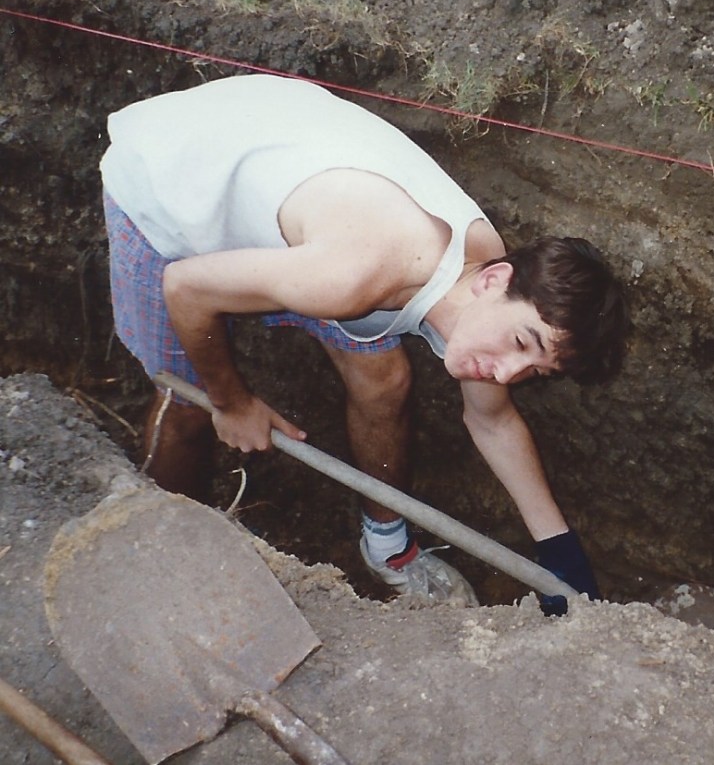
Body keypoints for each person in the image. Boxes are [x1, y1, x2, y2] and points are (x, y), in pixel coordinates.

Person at [99, 73, 628, 611]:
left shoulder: (483, 284)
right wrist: (231, 402)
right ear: (495, 281)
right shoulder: (353, 277)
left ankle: (386, 545)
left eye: (535, 369)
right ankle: (165, 556)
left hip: (299, 200)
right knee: (190, 408)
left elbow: (492, 421)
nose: (510, 373)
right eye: (521, 342)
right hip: (173, 182)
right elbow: (186, 289)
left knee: (384, 381)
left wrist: (560, 555)